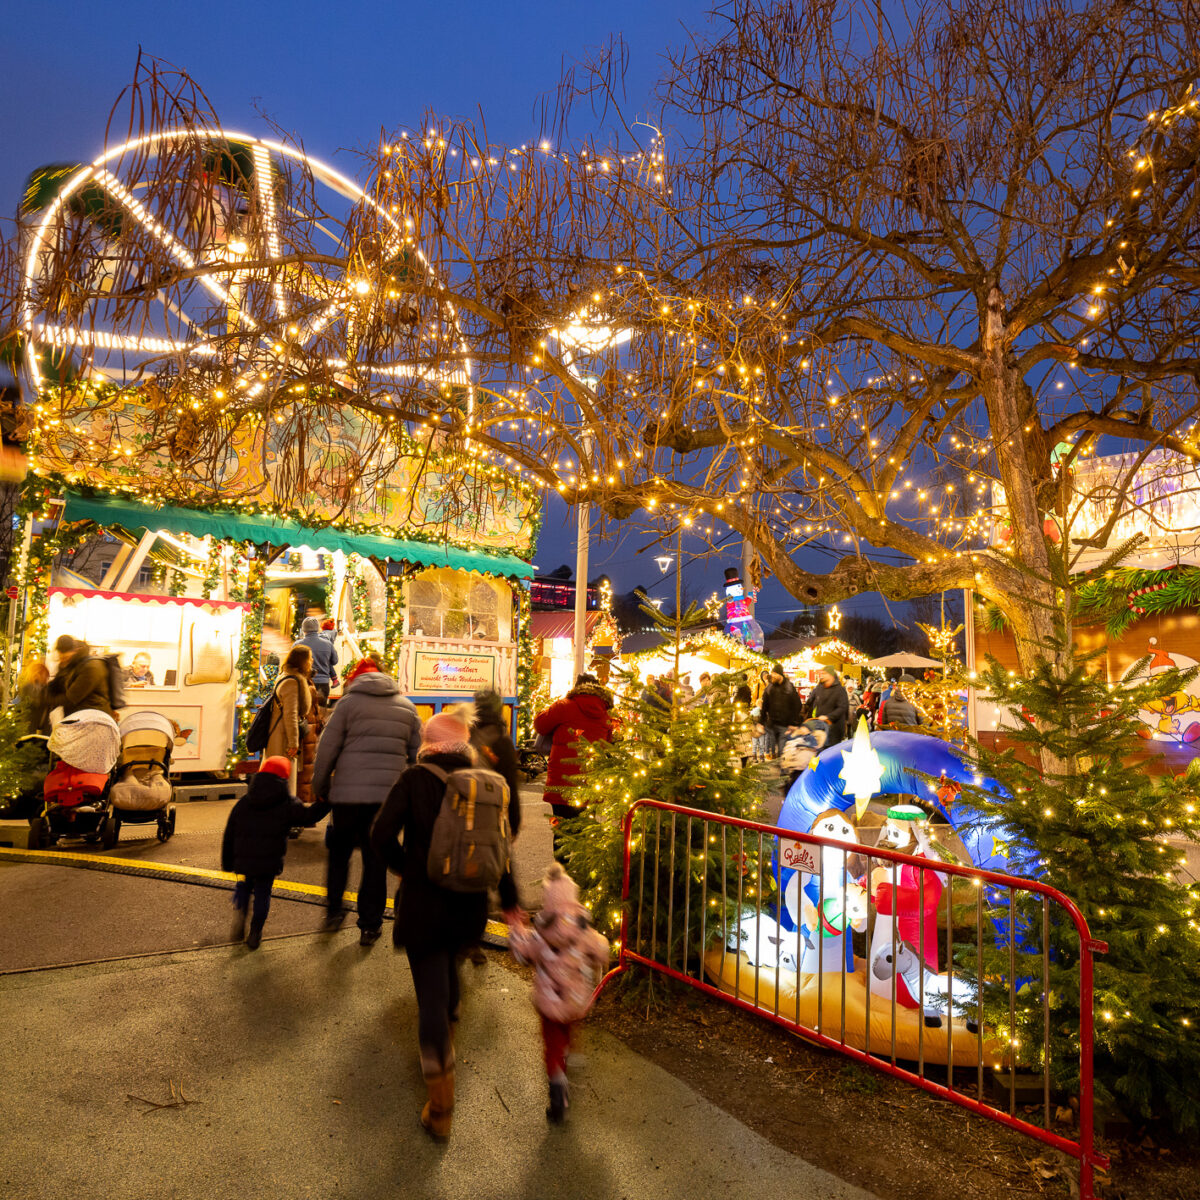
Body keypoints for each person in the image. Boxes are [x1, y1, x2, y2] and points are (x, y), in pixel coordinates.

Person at [370, 711, 521, 1140]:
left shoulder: (414, 779)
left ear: (428, 743)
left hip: (425, 902)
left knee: (431, 998)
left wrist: (407, 869)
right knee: (451, 973)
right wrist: (511, 903)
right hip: (470, 905)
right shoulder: (487, 784)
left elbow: (380, 836)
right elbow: (501, 849)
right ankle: (450, 1040)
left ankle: (440, 1108)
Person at [311, 655, 422, 946]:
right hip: (387, 800)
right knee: (376, 860)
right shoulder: (407, 708)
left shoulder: (347, 704)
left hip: (346, 797)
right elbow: (417, 756)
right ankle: (370, 925)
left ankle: (334, 913)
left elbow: (326, 749)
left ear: (355, 680)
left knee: (339, 855)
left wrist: (320, 786)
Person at [508, 862, 610, 1123]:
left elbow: (521, 952)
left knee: (552, 1044)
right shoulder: (584, 932)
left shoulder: (540, 936)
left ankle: (558, 1088)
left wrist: (516, 927)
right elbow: (602, 951)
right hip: (576, 1002)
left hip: (550, 1005)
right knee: (569, 1026)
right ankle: (570, 1054)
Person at [221, 756, 330, 949]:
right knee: (263, 893)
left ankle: (240, 920)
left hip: (245, 858)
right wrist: (325, 803)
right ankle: (255, 933)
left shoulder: (245, 801)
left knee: (245, 885)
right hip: (268, 861)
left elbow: (230, 831)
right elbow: (307, 817)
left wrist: (227, 861)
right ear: (284, 777)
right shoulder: (287, 802)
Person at [534, 674, 616, 826]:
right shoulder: (605, 714)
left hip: (562, 782)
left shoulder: (563, 706)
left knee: (561, 831)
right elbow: (607, 745)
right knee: (586, 830)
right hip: (590, 782)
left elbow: (540, 725)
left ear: (576, 688)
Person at [262, 644, 312, 794]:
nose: (311, 662)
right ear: (302, 661)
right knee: (284, 778)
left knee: (275, 777)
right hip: (282, 736)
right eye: (310, 659)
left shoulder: (284, 676)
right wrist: (293, 743)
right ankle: (283, 805)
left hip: (277, 733)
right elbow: (291, 714)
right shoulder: (292, 682)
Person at [46, 635, 113, 718]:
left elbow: (71, 699)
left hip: (93, 718)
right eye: (60, 655)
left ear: (74, 651)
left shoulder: (91, 667)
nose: (62, 659)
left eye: (65, 656)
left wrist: (45, 699)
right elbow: (57, 685)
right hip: (78, 716)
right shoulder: (72, 664)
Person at [761, 664, 802, 757]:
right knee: (772, 750)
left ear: (780, 674)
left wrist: (793, 722)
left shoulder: (789, 687)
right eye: (772, 673)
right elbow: (765, 705)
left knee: (782, 752)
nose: (772, 676)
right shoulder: (770, 687)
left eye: (775, 673)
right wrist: (762, 721)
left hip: (785, 726)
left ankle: (782, 765)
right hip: (772, 724)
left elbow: (797, 705)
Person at [295, 615, 339, 704]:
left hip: (304, 682)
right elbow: (335, 661)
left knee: (305, 709)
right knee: (321, 710)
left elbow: (293, 664)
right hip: (323, 683)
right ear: (317, 628)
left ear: (303, 629)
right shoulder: (328, 644)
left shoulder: (297, 645)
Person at [803, 667, 851, 745]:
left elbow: (842, 707)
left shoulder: (840, 690)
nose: (822, 676)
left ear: (831, 675)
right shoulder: (819, 687)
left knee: (831, 749)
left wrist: (828, 717)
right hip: (820, 726)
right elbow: (810, 700)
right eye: (821, 674)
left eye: (824, 673)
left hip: (835, 728)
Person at [16, 658, 51, 735]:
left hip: (43, 724)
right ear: (38, 673)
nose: (46, 678)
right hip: (29, 724)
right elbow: (26, 703)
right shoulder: (27, 687)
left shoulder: (46, 688)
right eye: (45, 675)